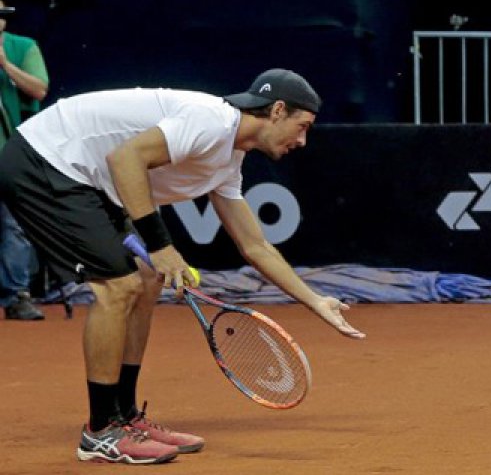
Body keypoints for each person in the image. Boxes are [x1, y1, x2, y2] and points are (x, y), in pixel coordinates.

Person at [0, 68, 366, 464]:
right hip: (46, 159)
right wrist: (162, 246)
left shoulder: (229, 160)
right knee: (119, 286)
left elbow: (254, 245)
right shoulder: (210, 120)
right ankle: (101, 431)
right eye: (302, 126)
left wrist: (314, 301)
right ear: (277, 110)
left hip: (88, 177)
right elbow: (125, 159)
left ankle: (124, 417)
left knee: (146, 279)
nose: (302, 140)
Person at [0, 0, 47, 320]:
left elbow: (39, 90)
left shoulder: (22, 46)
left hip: (9, 153)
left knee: (15, 225)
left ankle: (17, 295)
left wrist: (4, 64)